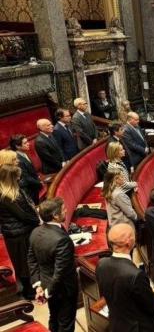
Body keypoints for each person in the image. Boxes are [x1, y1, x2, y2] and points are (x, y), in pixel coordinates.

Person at [96, 223, 154, 332]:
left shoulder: (101, 264)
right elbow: (153, 308)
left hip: (115, 325)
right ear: (130, 242)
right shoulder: (136, 275)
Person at [28, 197, 77, 332]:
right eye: (63, 210)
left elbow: (31, 261)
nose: (66, 211)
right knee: (66, 323)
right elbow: (60, 271)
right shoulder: (62, 240)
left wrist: (39, 286)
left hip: (45, 284)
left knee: (54, 317)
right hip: (63, 289)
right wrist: (48, 291)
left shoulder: (35, 232)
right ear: (55, 216)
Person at [0, 165, 39, 300]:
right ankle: (29, 292)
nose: (19, 179)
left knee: (27, 263)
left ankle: (31, 289)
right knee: (23, 265)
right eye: (17, 177)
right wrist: (37, 221)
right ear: (10, 179)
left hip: (22, 231)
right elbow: (22, 215)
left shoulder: (14, 190)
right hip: (17, 235)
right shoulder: (5, 196)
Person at [10, 134, 43, 204]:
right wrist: (39, 183)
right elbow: (26, 177)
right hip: (30, 190)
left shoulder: (24, 153)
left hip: (34, 186)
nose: (28, 144)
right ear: (17, 146)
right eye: (25, 143)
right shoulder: (17, 160)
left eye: (27, 141)